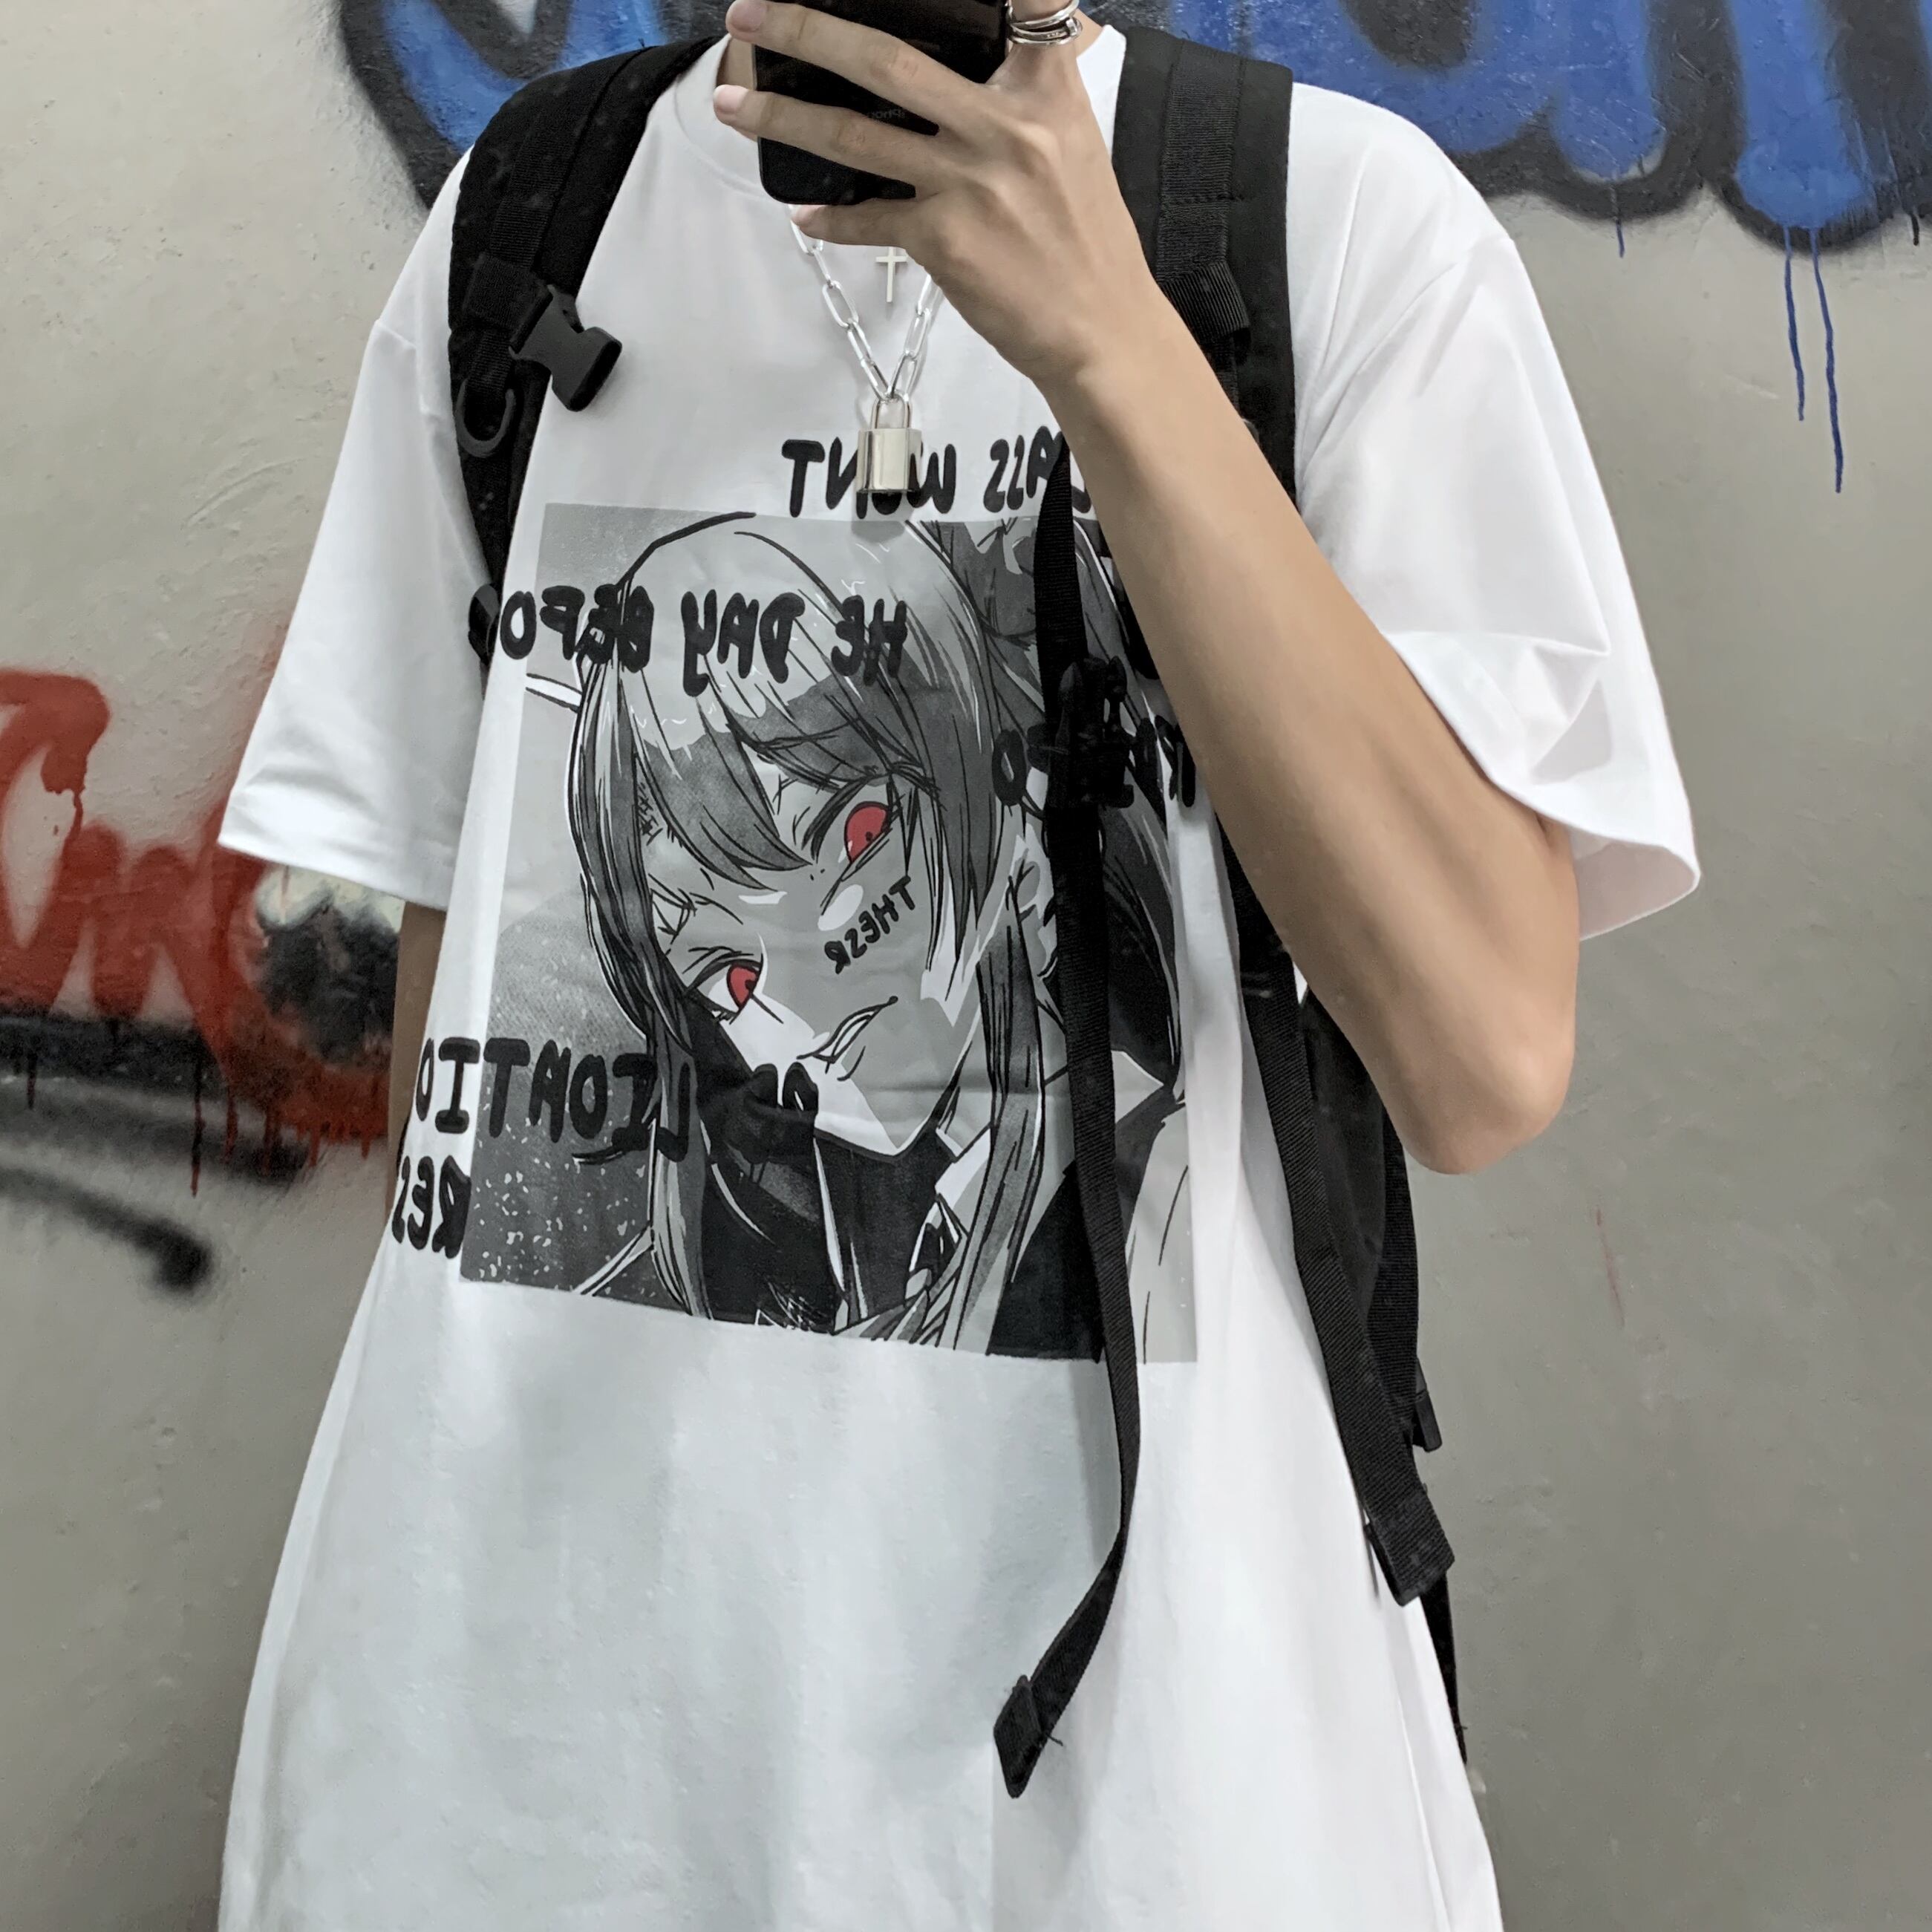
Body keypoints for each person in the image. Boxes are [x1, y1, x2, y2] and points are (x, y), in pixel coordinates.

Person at [216, 4, 1699, 1928]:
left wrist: (1111, 348)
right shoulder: (530, 224)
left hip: (1134, 1804)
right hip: (507, 1779)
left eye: (848, 847)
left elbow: (1481, 1052)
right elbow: (460, 1077)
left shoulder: (1327, 233)